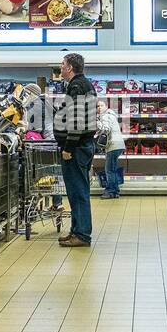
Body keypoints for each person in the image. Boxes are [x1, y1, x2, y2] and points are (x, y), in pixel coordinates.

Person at [53, 52, 97, 247]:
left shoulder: (77, 86)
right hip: (83, 146)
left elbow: (77, 121)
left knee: (77, 191)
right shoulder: (83, 84)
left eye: (63, 64)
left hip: (77, 148)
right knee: (78, 191)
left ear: (70, 67)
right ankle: (76, 231)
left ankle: (81, 234)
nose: (60, 67)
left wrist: (68, 147)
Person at [96, 100, 126, 199]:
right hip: (118, 145)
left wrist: (97, 123)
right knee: (112, 169)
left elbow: (106, 129)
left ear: (106, 106)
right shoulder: (111, 115)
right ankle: (115, 191)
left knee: (109, 170)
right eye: (98, 106)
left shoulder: (105, 116)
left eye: (101, 105)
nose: (99, 108)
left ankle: (110, 191)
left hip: (113, 145)